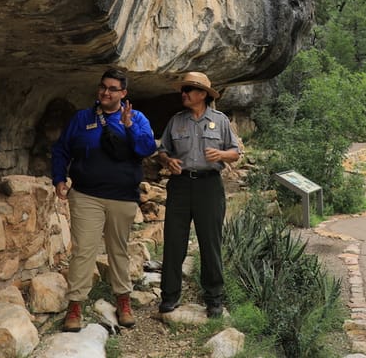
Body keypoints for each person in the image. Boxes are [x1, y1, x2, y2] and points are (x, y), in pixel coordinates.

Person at [51, 68, 157, 332]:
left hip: (122, 197)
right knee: (84, 251)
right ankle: (75, 305)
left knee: (118, 250)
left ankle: (123, 300)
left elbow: (146, 149)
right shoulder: (81, 118)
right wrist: (59, 178)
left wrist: (129, 126)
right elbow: (61, 149)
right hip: (87, 195)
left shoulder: (137, 118)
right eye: (103, 87)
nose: (106, 92)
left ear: (123, 93)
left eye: (112, 89)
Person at [156, 71, 242, 318]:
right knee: (174, 241)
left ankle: (214, 298)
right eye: (183, 90)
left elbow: (235, 152)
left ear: (202, 94)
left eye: (189, 90)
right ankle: (169, 296)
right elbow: (163, 151)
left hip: (209, 186)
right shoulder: (176, 121)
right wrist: (168, 161)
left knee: (210, 242)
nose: (183, 94)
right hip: (180, 186)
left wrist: (221, 155)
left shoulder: (220, 120)